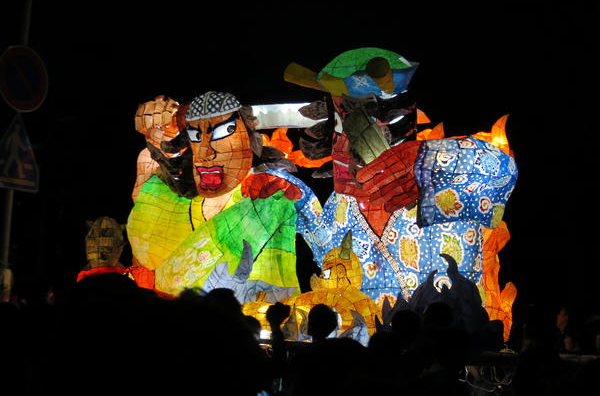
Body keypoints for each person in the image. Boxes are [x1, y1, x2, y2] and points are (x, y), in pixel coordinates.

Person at [285, 47, 518, 309]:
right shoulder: (341, 205)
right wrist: (298, 199)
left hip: (442, 333)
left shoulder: (445, 180)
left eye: (370, 124)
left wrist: (428, 161)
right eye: (341, 125)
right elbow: (328, 256)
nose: (351, 142)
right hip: (366, 334)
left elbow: (501, 172)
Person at [126, 91, 322, 297]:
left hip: (240, 310)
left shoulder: (267, 188)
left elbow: (319, 230)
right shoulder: (160, 191)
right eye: (195, 136)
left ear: (245, 138)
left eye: (223, 132)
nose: (206, 152)